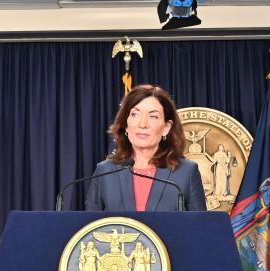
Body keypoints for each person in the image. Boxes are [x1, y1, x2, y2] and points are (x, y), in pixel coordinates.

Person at [84, 84, 208, 212]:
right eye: (135, 115)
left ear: (166, 127)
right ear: (126, 125)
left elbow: (200, 228)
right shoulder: (104, 172)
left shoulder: (186, 172)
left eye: (153, 116)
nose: (142, 124)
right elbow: (90, 228)